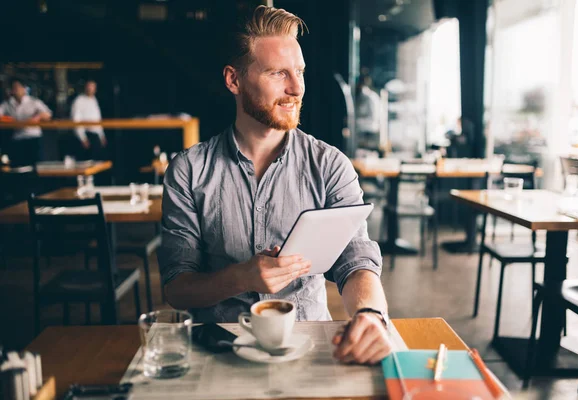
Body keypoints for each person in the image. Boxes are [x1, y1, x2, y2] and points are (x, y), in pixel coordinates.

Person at [159, 6, 392, 365]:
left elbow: (356, 260)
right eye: (277, 73)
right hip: (219, 354)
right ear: (234, 80)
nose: (296, 87)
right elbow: (177, 288)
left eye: (299, 71)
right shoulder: (188, 171)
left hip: (310, 350)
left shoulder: (330, 165)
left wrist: (370, 315)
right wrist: (241, 277)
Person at [0, 78, 52, 166]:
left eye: (19, 87)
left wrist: (37, 117)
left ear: (24, 88)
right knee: (18, 165)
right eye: (14, 88)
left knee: (36, 166)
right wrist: (8, 120)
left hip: (33, 137)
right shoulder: (8, 103)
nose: (16, 90)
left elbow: (48, 114)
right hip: (17, 138)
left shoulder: (34, 101)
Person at [70, 80, 107, 160]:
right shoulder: (79, 100)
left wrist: (102, 136)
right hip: (87, 136)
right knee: (87, 163)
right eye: (89, 86)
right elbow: (76, 121)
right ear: (85, 87)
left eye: (93, 87)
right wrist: (83, 138)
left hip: (96, 136)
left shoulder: (94, 99)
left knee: (98, 163)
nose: (90, 89)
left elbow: (97, 119)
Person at [355, 74, 381, 151]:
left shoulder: (370, 98)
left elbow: (373, 120)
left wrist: (353, 122)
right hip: (362, 131)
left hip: (368, 133)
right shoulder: (361, 97)